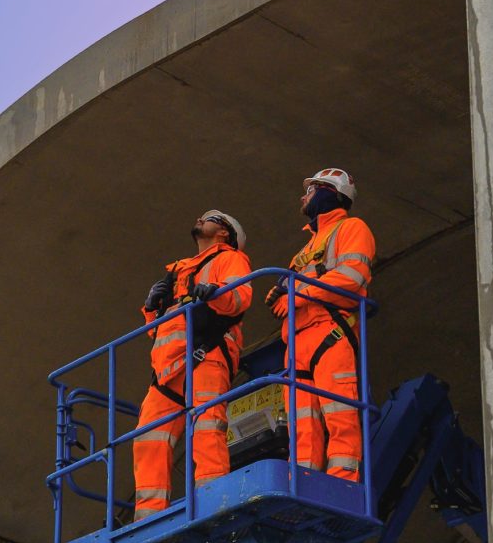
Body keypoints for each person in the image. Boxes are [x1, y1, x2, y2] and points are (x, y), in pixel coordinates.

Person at [132, 210, 251, 521]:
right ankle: (147, 519)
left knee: (207, 427)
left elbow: (239, 297)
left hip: (205, 355)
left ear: (225, 232)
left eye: (210, 217)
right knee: (148, 439)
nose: (200, 219)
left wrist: (215, 294)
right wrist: (149, 309)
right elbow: (160, 330)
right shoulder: (177, 274)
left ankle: (214, 504)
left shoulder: (230, 259)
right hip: (167, 369)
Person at [264, 168, 375, 482]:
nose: (303, 196)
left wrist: (298, 293)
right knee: (301, 425)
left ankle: (343, 479)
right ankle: (303, 483)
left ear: (330, 191)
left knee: (339, 413)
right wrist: (282, 295)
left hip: (331, 332)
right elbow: (287, 300)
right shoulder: (301, 252)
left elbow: (353, 276)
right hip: (297, 343)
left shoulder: (351, 228)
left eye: (310, 189)